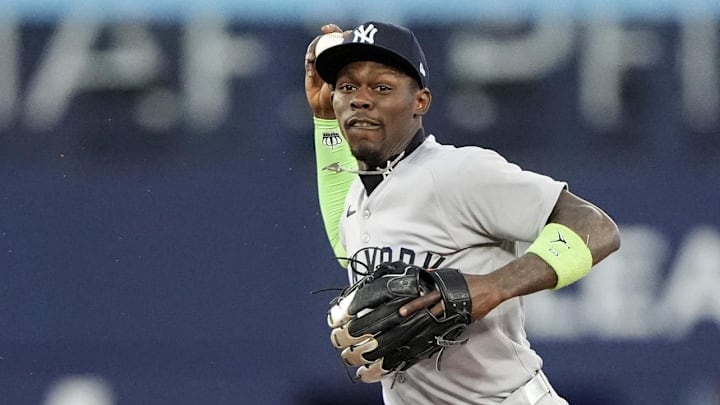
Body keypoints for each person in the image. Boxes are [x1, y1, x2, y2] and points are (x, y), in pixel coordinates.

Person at [304, 21, 621, 405]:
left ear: (420, 102)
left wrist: (493, 286)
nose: (360, 99)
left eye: (382, 87)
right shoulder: (362, 193)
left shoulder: (458, 172)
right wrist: (324, 123)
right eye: (347, 87)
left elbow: (596, 227)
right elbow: (347, 242)